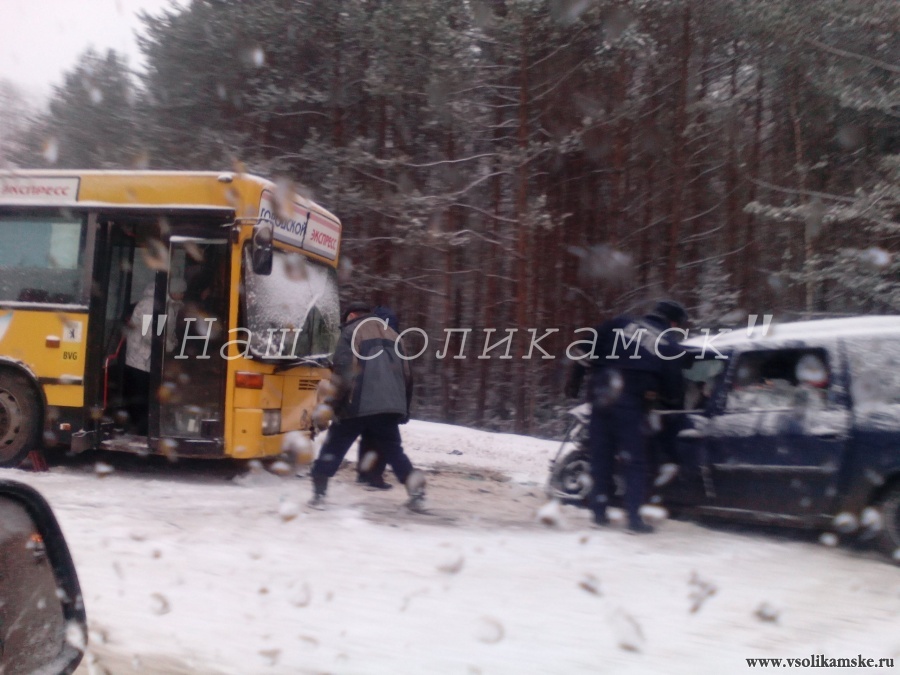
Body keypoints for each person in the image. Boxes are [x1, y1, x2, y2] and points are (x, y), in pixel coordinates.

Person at [586, 299, 688, 533]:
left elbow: (586, 346)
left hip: (601, 399)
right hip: (630, 407)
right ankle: (633, 519)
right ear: (673, 323)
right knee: (635, 463)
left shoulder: (621, 322)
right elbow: (674, 390)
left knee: (601, 457)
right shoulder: (669, 344)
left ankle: (598, 514)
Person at [310, 301, 425, 507]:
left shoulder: (351, 333)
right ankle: (417, 493)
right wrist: (403, 409)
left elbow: (344, 373)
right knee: (394, 451)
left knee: (334, 447)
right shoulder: (394, 335)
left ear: (352, 316)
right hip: (389, 407)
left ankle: (319, 494)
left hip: (357, 404)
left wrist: (332, 405)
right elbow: (407, 375)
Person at [356, 304, 400, 490]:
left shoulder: (364, 338)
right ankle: (375, 476)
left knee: (367, 435)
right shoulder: (391, 343)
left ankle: (363, 472)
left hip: (365, 397)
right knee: (386, 441)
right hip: (383, 399)